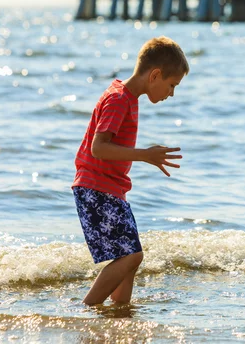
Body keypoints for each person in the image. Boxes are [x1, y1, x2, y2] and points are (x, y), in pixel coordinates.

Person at [72, 37, 189, 306]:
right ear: (155, 75)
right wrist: (145, 155)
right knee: (131, 256)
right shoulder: (118, 99)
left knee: (130, 258)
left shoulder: (127, 97)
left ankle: (119, 312)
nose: (171, 93)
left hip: (111, 188)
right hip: (96, 187)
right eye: (172, 85)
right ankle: (88, 308)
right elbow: (99, 148)